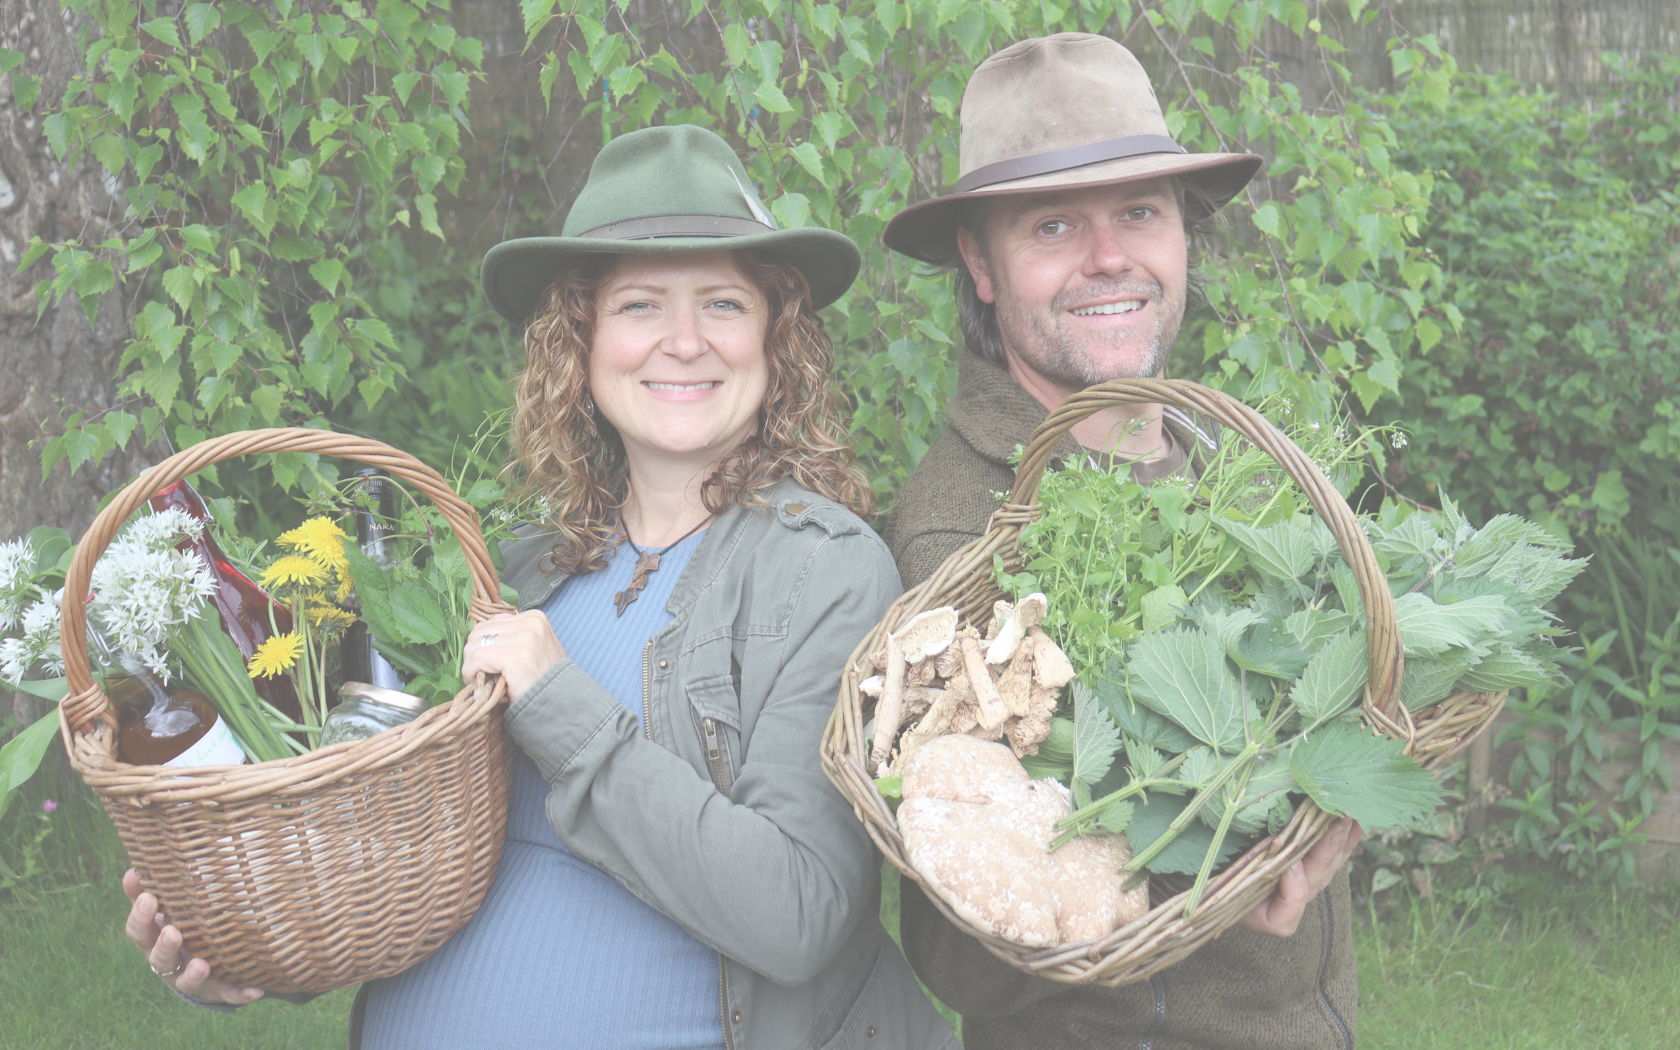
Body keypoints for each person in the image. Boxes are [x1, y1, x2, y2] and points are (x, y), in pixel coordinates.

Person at [120, 124, 958, 1050]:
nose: (684, 342)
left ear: (775, 337)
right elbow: (379, 864)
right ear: (582, 341)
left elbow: (798, 912)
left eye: (723, 303)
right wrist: (246, 949)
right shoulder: (513, 570)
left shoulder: (826, 571)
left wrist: (563, 710)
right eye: (640, 305)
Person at [881, 34, 1364, 1050]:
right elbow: (959, 937)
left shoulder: (1221, 456)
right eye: (1053, 224)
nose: (1110, 257)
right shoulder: (965, 532)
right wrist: (1213, 870)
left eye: (1140, 211)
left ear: (1182, 234)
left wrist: (1334, 811)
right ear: (979, 263)